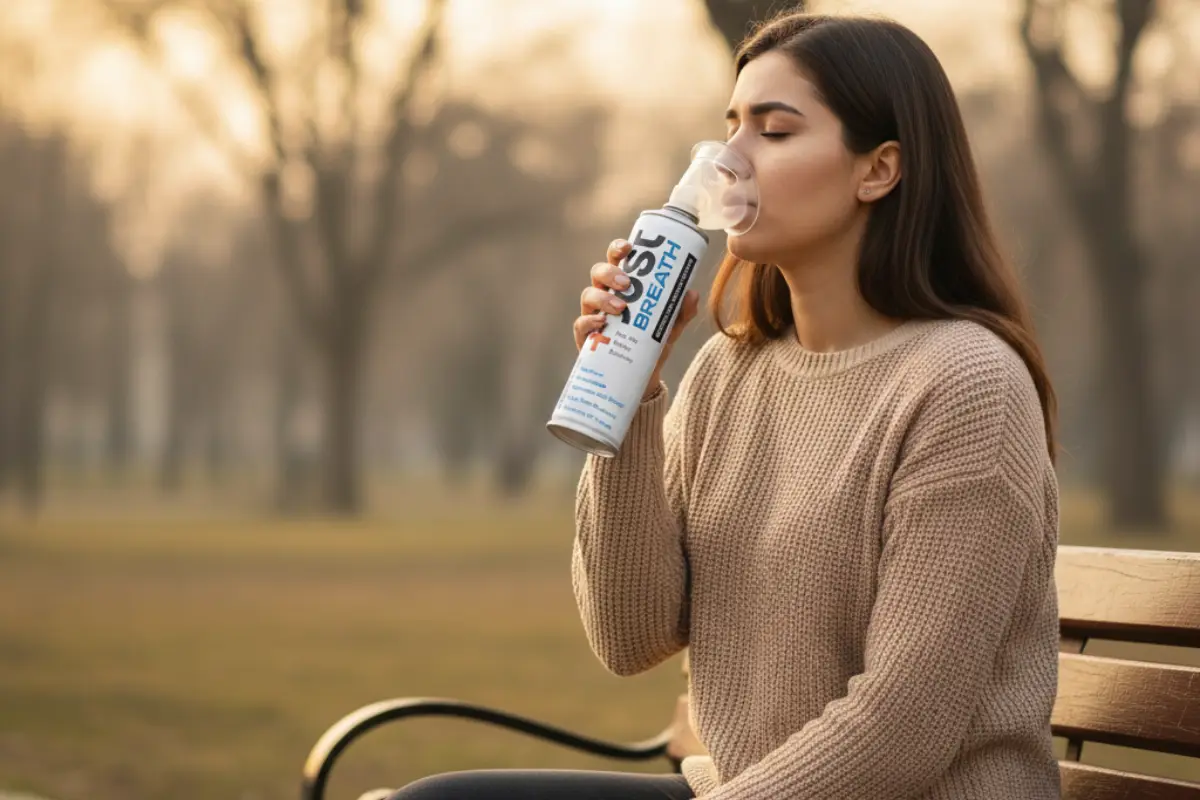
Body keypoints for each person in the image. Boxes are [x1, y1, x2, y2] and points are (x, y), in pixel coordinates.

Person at [389, 8, 1061, 800]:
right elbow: (628, 634)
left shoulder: (966, 387)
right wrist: (632, 391)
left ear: (878, 170)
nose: (726, 160)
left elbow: (900, 728)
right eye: (730, 126)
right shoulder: (727, 374)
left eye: (773, 134)